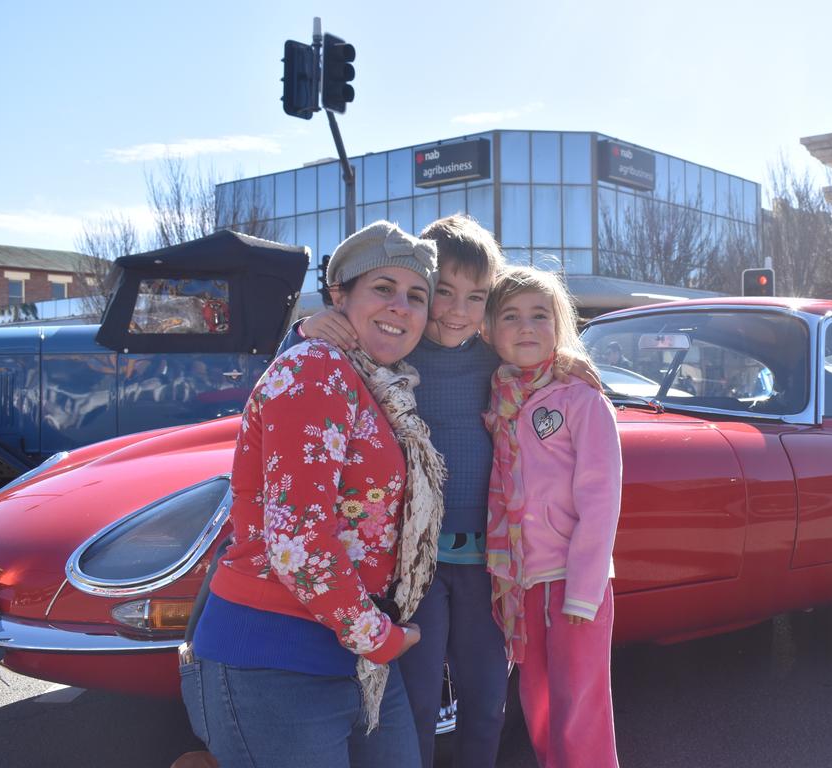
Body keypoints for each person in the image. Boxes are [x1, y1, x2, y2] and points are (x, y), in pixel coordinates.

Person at [282, 215, 599, 768]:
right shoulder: (392, 350)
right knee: (418, 699)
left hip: (489, 560)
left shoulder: (497, 363)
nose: (457, 312)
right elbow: (317, 365)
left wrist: (567, 363)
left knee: (487, 698)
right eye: (443, 294)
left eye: (476, 298)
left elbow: (542, 362)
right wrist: (308, 328)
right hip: (416, 563)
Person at [179, 220, 444, 768]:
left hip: (353, 654)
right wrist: (380, 638)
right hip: (276, 660)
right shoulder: (316, 370)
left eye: (416, 296)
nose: (400, 306)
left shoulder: (381, 387)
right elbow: (297, 540)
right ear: (339, 296)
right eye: (382, 289)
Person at [483, 265, 622, 768]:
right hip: (523, 584)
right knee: (537, 705)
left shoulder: (582, 400)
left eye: (540, 316)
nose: (525, 328)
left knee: (579, 710)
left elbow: (601, 499)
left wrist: (584, 593)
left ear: (559, 326)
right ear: (488, 331)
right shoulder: (497, 397)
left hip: (574, 583)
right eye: (511, 316)